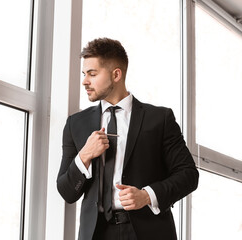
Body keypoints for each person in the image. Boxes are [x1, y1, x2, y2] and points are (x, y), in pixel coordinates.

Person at [56, 38, 199, 240]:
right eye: (84, 74)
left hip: (148, 232)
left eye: (92, 74)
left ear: (116, 74)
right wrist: (85, 155)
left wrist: (147, 195)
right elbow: (67, 192)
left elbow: (188, 174)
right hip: (96, 234)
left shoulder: (160, 119)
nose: (85, 81)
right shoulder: (75, 124)